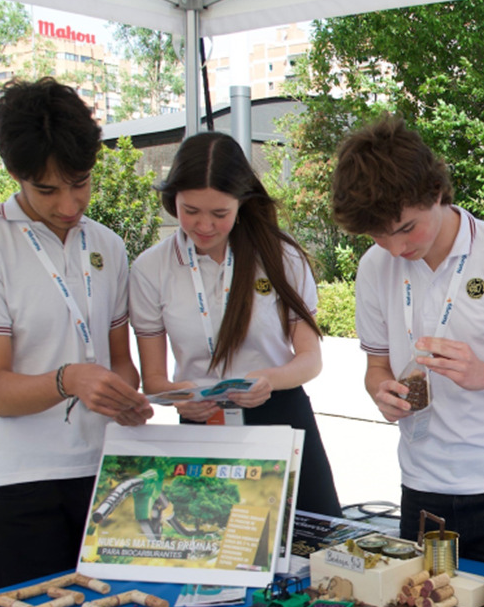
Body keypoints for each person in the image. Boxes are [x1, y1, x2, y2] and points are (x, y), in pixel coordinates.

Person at [0, 77, 152, 590]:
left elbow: (119, 359)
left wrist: (124, 397)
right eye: (47, 189)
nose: (68, 204)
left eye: (80, 182)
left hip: (108, 470)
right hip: (22, 480)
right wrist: (71, 379)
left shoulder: (107, 244)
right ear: (14, 173)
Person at [331, 114, 484, 561]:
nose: (397, 248)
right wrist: (380, 393)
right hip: (422, 484)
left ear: (436, 192)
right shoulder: (374, 268)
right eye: (378, 234)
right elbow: (375, 366)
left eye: (405, 228)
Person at [130, 131, 342, 519]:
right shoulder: (150, 269)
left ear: (242, 204)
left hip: (279, 414)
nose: (204, 225)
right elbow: (154, 381)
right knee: (210, 548)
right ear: (171, 199)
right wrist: (181, 398)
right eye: (190, 210)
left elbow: (310, 359)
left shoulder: (280, 256)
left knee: (314, 548)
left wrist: (271, 380)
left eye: (220, 213)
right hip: (201, 420)